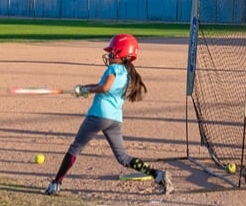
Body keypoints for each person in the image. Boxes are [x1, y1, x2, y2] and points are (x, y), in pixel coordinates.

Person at [44, 33, 171, 196]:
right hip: (114, 119)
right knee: (123, 157)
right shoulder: (127, 72)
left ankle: (56, 183)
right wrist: (84, 88)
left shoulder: (113, 69)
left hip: (98, 115)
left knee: (75, 148)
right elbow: (100, 85)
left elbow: (104, 88)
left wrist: (89, 90)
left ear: (121, 53)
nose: (110, 55)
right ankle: (157, 175)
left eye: (112, 51)